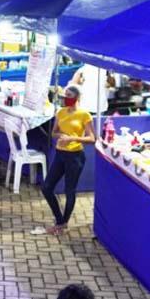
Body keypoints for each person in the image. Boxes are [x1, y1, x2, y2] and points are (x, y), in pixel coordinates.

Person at [41, 85, 94, 235]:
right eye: (65, 95)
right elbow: (54, 132)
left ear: (76, 98)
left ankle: (63, 223)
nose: (65, 98)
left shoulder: (84, 115)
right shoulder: (61, 112)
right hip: (60, 153)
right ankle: (60, 219)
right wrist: (61, 136)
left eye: (69, 95)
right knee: (47, 187)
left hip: (75, 156)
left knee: (69, 190)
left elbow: (92, 138)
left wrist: (73, 138)